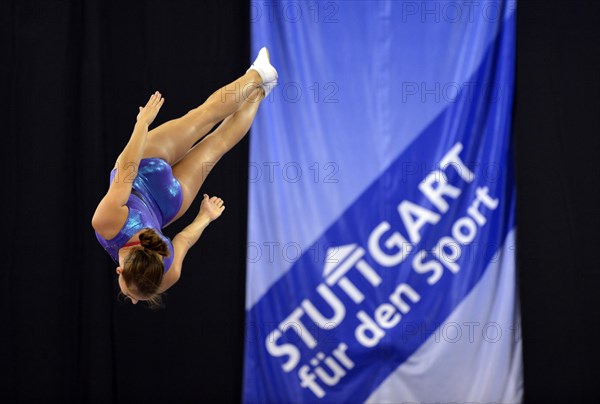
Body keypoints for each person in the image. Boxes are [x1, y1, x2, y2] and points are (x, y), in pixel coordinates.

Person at [92, 47, 278, 308]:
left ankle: (260, 91)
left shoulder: (166, 274)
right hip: (147, 169)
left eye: (131, 297)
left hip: (171, 202)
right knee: (203, 116)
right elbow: (126, 171)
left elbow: (183, 240)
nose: (133, 301)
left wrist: (205, 217)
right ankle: (258, 75)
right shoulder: (106, 224)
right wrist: (141, 125)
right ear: (120, 271)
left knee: (219, 142)